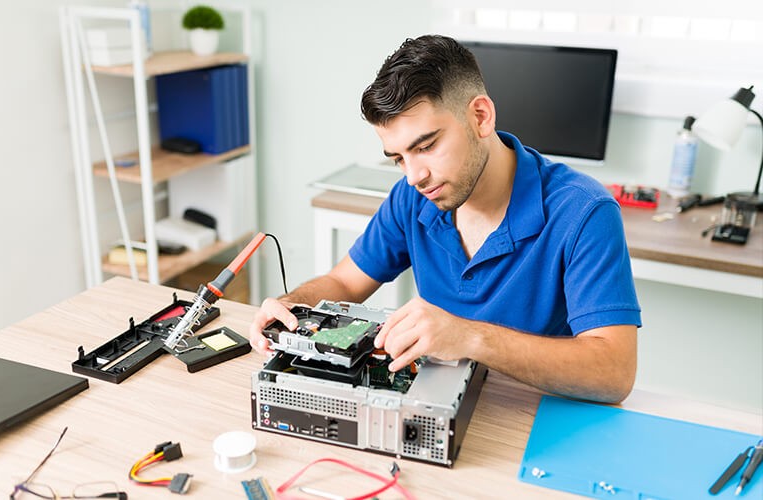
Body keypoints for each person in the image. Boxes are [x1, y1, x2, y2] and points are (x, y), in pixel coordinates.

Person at [250, 35, 641, 404]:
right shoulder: (412, 196)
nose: (414, 176)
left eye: (426, 146)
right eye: (399, 158)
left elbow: (614, 373)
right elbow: (344, 282)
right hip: (434, 405)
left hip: (532, 417)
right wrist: (292, 306)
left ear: (481, 116)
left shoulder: (583, 211)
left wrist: (469, 337)